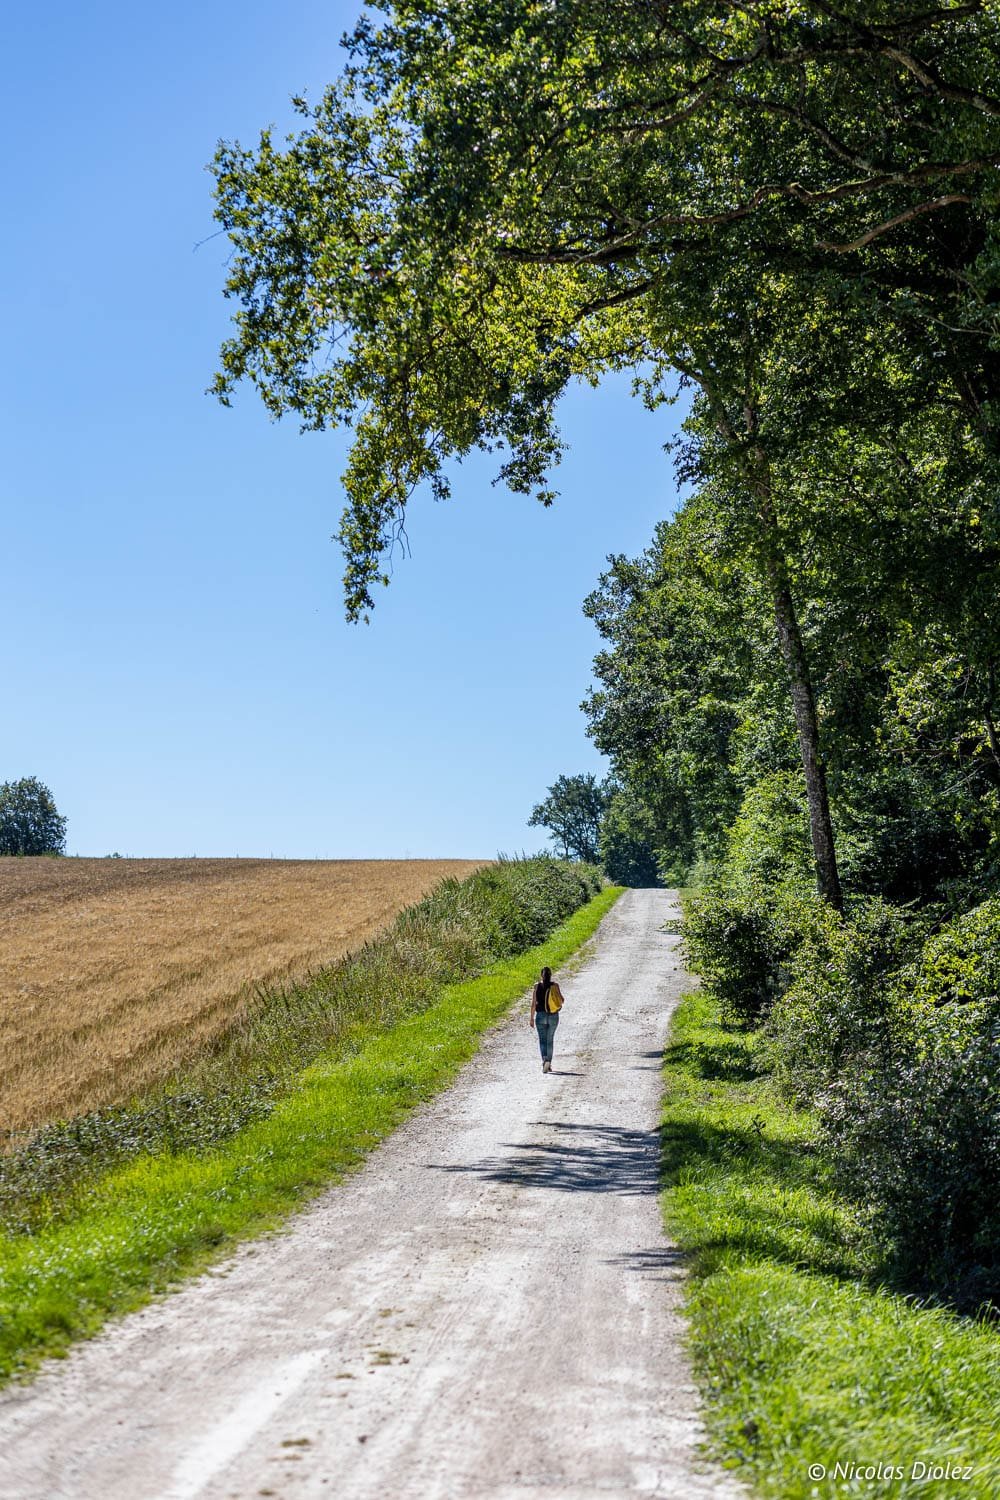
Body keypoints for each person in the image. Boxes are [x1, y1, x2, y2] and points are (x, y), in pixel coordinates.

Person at [530, 965, 564, 1073]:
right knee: (550, 1040)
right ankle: (548, 1062)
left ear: (541, 975)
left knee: (542, 1040)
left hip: (540, 1016)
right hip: (553, 1016)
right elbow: (562, 1000)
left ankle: (545, 1060)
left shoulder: (536, 986)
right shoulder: (555, 986)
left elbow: (533, 1004)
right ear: (551, 975)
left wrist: (531, 1018)